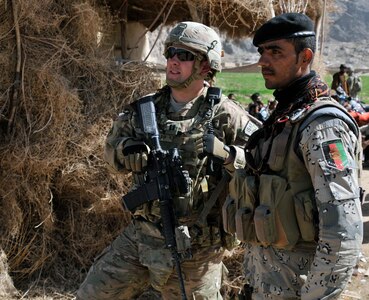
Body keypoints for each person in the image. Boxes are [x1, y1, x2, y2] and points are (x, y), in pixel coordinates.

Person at [76, 21, 261, 300]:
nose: (174, 61)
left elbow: (260, 165)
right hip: (142, 237)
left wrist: (229, 155)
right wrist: (129, 151)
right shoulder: (146, 109)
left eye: (184, 55)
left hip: (196, 248)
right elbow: (110, 152)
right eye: (171, 52)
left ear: (204, 65)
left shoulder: (227, 115)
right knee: (92, 295)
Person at [223, 13, 363, 299]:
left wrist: (316, 296)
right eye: (262, 52)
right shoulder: (283, 118)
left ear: (305, 56)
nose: (263, 61)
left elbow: (343, 234)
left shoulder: (322, 126)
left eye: (275, 52)